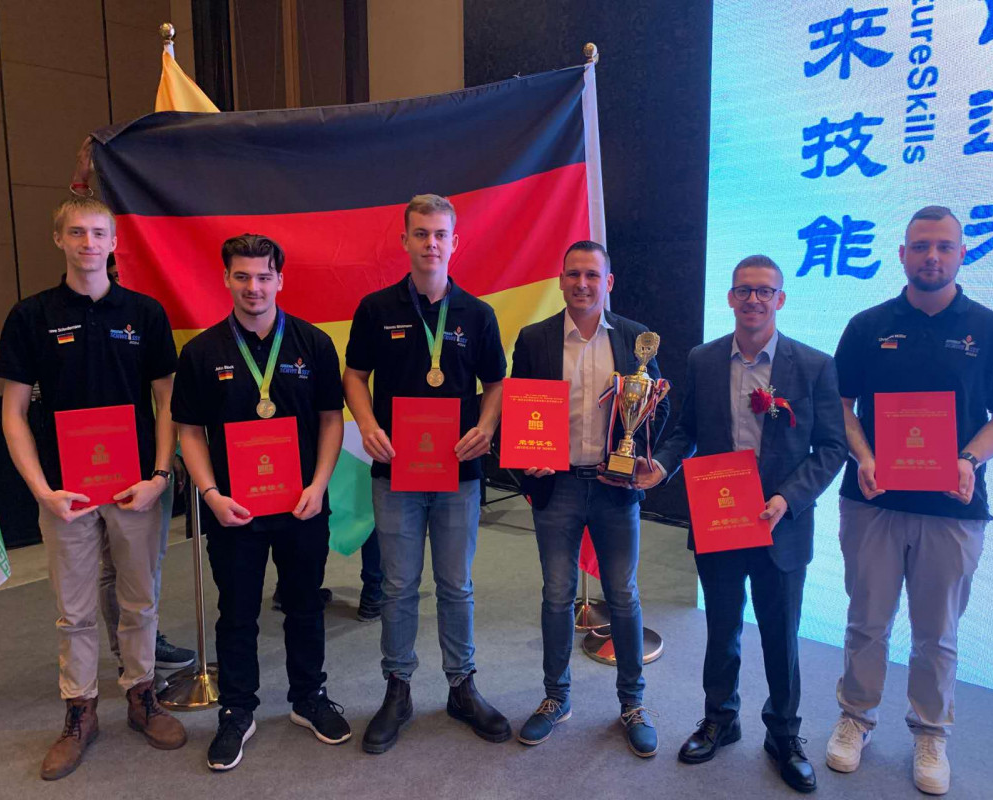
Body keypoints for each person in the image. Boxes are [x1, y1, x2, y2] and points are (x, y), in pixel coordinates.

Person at [825, 206, 993, 796]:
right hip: (873, 500)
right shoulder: (868, 326)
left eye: (943, 246)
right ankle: (856, 718)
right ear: (902, 255)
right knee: (867, 622)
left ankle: (930, 732)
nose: (931, 256)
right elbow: (839, 405)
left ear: (961, 253)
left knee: (937, 633)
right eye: (920, 246)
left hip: (954, 507)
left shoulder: (990, 330)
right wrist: (863, 455)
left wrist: (969, 458)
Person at [0, 196, 187, 781]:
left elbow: (167, 400)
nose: (88, 242)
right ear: (59, 239)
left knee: (140, 600)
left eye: (98, 233)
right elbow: (13, 413)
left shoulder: (145, 313)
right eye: (76, 232)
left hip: (136, 489)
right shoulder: (30, 316)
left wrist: (160, 475)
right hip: (66, 497)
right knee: (73, 612)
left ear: (114, 242)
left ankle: (141, 694)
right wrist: (42, 491)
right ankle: (80, 710)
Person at [640, 254, 847, 793]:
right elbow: (686, 431)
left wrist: (787, 498)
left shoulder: (814, 365)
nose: (754, 299)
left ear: (781, 299)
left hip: (782, 524)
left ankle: (784, 733)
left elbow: (831, 448)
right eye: (744, 290)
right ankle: (720, 719)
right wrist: (661, 466)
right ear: (730, 298)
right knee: (722, 628)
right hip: (720, 518)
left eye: (764, 291)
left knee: (781, 636)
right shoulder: (704, 359)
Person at [173, 234, 351, 771]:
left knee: (305, 604)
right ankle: (237, 710)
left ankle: (309, 698)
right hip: (233, 511)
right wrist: (210, 495)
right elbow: (189, 431)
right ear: (226, 279)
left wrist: (319, 485)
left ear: (280, 280)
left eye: (264, 276)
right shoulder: (201, 352)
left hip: (301, 506)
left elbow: (331, 420)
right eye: (243, 276)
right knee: (237, 612)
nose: (254, 287)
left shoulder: (314, 343)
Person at [344, 194, 510, 754]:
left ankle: (462, 685)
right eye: (421, 233)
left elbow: (496, 384)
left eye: (440, 234)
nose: (431, 243)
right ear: (405, 241)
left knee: (456, 584)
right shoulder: (375, 308)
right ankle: (398, 687)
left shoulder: (478, 314)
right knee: (397, 585)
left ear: (454, 242)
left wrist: (487, 426)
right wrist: (367, 425)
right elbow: (354, 375)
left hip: (458, 473)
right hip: (396, 471)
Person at [510, 240, 668, 757]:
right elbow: (520, 409)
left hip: (614, 489)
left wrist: (641, 455)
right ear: (561, 281)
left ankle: (632, 704)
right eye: (573, 274)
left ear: (608, 282)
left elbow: (658, 407)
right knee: (556, 595)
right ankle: (556, 699)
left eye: (592, 275)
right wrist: (525, 458)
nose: (582, 284)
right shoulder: (534, 338)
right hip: (556, 487)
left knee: (622, 594)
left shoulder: (636, 340)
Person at [98, 254, 196, 689]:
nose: (116, 280)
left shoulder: (143, 314)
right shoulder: (54, 316)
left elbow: (164, 396)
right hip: (87, 463)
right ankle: (128, 658)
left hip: (143, 463)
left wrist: (165, 457)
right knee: (110, 568)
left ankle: (146, 643)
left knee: (145, 564)